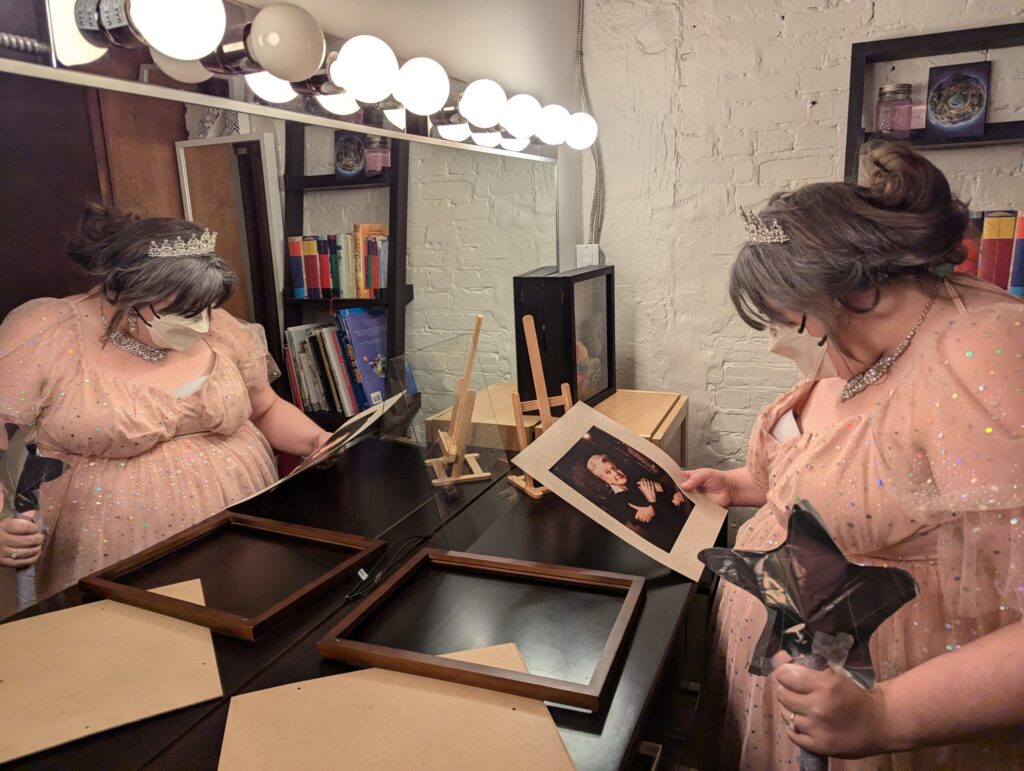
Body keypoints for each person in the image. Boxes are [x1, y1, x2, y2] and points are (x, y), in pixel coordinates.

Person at [684, 141, 1023, 768]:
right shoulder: (874, 345)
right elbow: (872, 486)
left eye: (786, 320)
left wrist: (884, 715)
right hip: (799, 681)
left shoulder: (979, 352)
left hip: (884, 696)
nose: (781, 341)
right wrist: (738, 486)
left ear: (838, 290)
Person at [0, 204, 332, 605]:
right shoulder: (49, 331)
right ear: (127, 293)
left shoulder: (219, 327)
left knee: (247, 615)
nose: (203, 325)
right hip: (110, 537)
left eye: (206, 310)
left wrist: (317, 440)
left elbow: (264, 407)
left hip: (241, 513)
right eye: (184, 313)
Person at [585, 452, 688, 551]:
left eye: (615, 467)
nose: (616, 473)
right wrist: (654, 500)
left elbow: (663, 488)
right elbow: (651, 518)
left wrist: (666, 495)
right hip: (672, 540)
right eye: (608, 472)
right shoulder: (614, 500)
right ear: (603, 479)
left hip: (682, 520)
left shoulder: (633, 479)